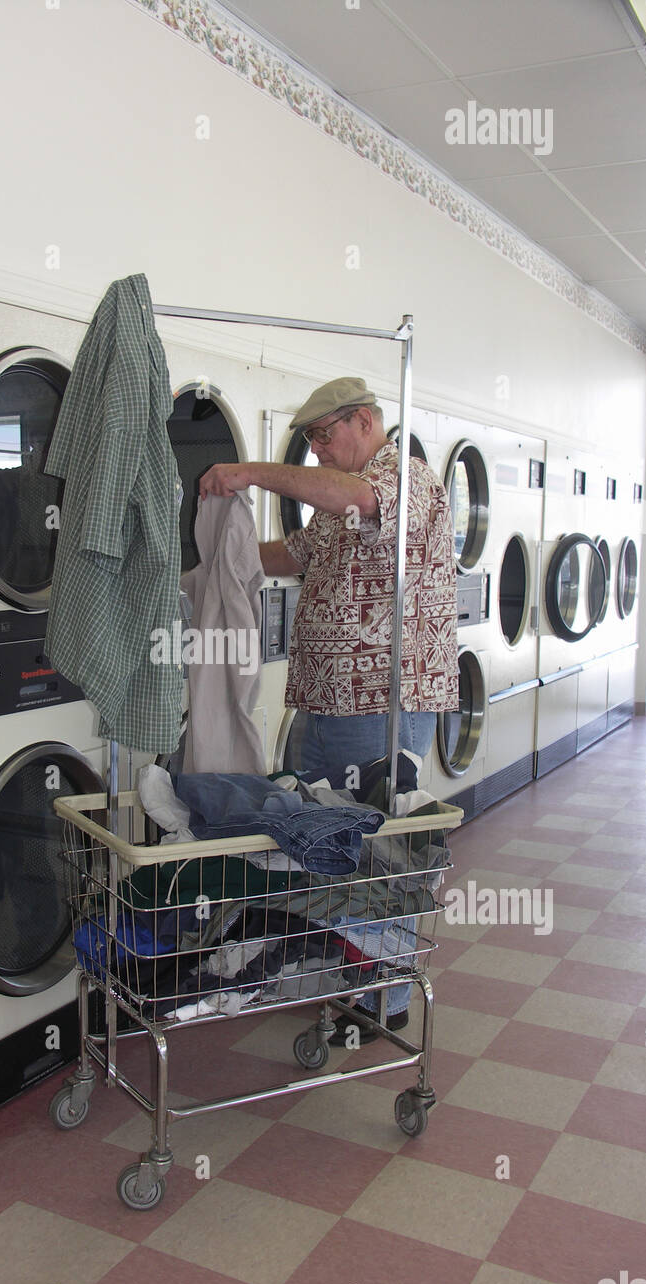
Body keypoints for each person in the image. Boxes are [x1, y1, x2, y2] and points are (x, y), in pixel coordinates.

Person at [198, 376, 458, 1042]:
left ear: (364, 421)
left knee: (374, 848)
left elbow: (358, 498)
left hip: (379, 706)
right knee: (326, 845)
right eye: (308, 440)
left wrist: (249, 474)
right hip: (325, 703)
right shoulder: (335, 503)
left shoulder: (407, 478)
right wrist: (212, 562)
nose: (315, 452)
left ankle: (386, 996)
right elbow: (294, 553)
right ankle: (351, 967)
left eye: (321, 436)